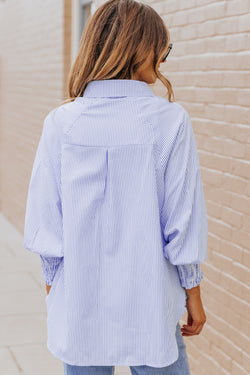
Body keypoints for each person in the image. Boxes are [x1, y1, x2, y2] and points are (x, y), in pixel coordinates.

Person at [23, 0, 207, 374]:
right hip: (150, 304)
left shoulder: (61, 123)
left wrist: (59, 296)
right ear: (140, 49)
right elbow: (181, 225)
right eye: (162, 49)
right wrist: (194, 295)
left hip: (80, 306)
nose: (163, 59)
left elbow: (46, 225)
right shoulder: (170, 122)